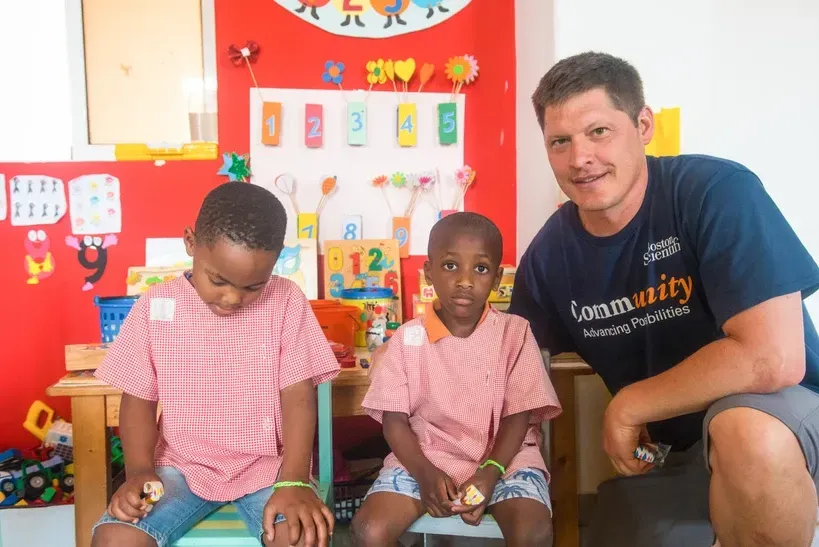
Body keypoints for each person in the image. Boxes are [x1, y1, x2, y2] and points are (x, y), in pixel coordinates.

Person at [510, 51, 819, 546]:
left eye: (599, 132)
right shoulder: (551, 254)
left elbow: (772, 358)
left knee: (744, 429)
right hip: (681, 454)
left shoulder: (715, 191)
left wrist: (631, 405)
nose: (579, 158)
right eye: (560, 142)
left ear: (643, 124)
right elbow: (510, 361)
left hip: (790, 425)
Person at [91, 182, 339, 547]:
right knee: (114, 539)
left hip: (269, 471)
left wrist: (294, 480)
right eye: (218, 280)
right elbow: (138, 399)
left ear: (277, 259)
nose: (232, 298)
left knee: (301, 538)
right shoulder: (157, 306)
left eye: (253, 286)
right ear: (191, 243)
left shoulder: (287, 300)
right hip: (179, 470)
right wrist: (139, 472)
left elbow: (299, 394)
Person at [351, 212, 562, 547]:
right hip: (424, 458)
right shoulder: (407, 339)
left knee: (532, 533)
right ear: (429, 272)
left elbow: (518, 416)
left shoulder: (515, 333)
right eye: (451, 266)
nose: (465, 280)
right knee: (368, 531)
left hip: (505, 460)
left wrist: (490, 470)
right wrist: (423, 472)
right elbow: (394, 422)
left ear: (496, 279)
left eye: (480, 269)